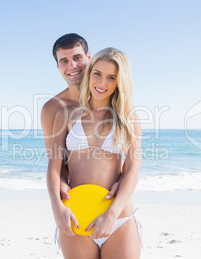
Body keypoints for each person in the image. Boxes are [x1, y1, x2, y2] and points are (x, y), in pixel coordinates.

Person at [47, 47, 142, 258]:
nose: (101, 83)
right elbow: (54, 165)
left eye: (111, 77)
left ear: (120, 82)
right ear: (89, 73)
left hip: (118, 217)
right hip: (75, 215)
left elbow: (133, 169)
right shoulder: (66, 114)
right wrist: (57, 207)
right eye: (97, 74)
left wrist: (112, 214)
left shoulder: (128, 117)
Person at [41, 34, 120, 223]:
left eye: (77, 58)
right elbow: (56, 161)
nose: (72, 66)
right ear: (58, 66)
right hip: (78, 199)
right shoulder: (53, 109)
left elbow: (128, 153)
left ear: (88, 57)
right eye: (64, 61)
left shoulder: (114, 98)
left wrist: (122, 181)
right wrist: (60, 183)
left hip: (113, 200)